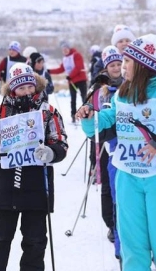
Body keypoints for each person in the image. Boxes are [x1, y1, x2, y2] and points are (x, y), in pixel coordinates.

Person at [0, 62, 68, 271]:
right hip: (6, 182)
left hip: (36, 181)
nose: (27, 91)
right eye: (21, 87)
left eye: (30, 86)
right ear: (12, 89)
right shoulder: (0, 112)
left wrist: (52, 152)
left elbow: (60, 140)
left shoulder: (48, 111)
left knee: (35, 240)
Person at [76, 34, 156, 271]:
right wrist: (91, 117)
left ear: (144, 66)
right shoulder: (122, 93)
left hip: (153, 177)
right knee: (133, 245)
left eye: (128, 61)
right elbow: (109, 122)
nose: (123, 66)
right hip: (127, 176)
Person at [88, 45, 124, 264]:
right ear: (106, 66)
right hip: (107, 141)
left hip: (126, 142)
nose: (117, 68)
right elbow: (91, 107)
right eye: (113, 65)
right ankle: (111, 224)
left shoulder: (129, 81)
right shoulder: (100, 83)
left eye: (119, 64)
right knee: (108, 187)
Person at [49, 41, 87, 123]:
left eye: (66, 49)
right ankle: (73, 115)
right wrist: (49, 71)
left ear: (69, 48)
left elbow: (78, 67)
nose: (65, 51)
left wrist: (70, 76)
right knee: (73, 99)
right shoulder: (65, 59)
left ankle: (86, 113)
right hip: (72, 81)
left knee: (84, 97)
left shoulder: (76, 55)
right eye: (63, 49)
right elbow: (60, 69)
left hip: (80, 79)